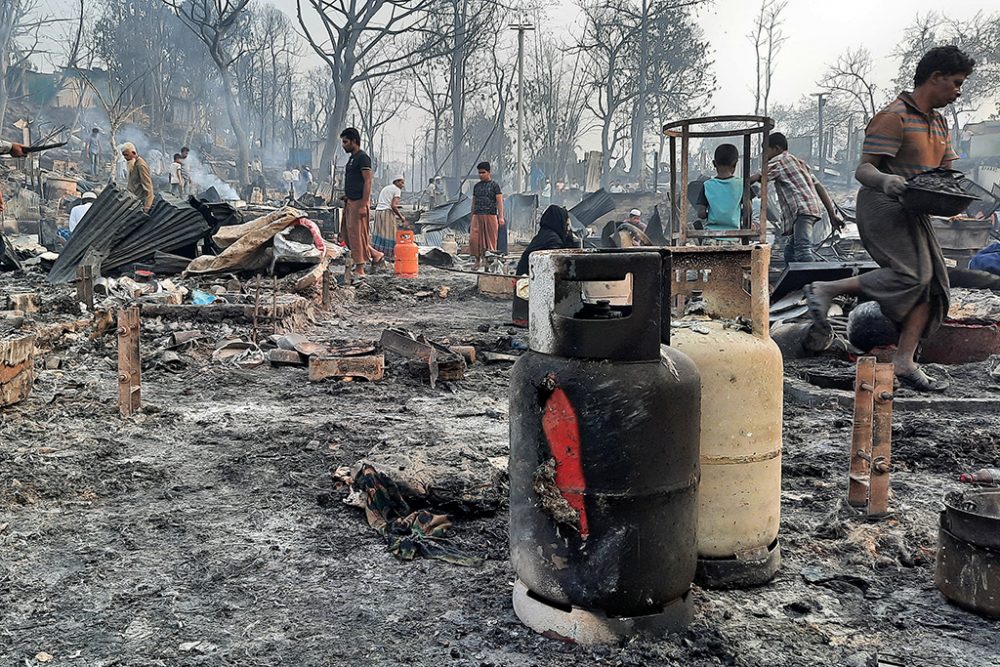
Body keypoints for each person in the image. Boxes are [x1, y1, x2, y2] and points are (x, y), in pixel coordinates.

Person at [805, 46, 976, 392]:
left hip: (915, 209)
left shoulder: (940, 123)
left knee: (932, 287)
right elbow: (864, 169)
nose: (959, 91)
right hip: (883, 204)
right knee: (913, 274)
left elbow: (944, 174)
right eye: (956, 83)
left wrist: (954, 196)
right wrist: (887, 180)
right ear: (936, 77)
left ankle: (904, 361)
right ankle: (827, 288)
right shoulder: (893, 116)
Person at [751, 132, 842, 264]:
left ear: (776, 149)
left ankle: (815, 280)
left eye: (765, 150)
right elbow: (820, 187)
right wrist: (832, 214)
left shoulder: (779, 161)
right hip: (810, 209)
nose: (763, 155)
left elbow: (757, 177)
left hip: (801, 211)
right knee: (790, 251)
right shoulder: (800, 163)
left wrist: (738, 183)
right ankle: (794, 281)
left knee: (803, 250)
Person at [340, 127, 383, 279]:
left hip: (359, 202)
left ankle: (360, 268)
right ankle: (375, 254)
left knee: (357, 235)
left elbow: (368, 181)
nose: (343, 145)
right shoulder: (352, 158)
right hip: (350, 201)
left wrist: (364, 204)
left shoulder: (363, 158)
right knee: (346, 234)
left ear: (353, 141)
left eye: (345, 142)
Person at [696, 143, 743, 233]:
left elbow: (700, 214)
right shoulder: (741, 184)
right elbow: (749, 210)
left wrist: (713, 214)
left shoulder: (707, 185)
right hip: (733, 237)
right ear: (735, 163)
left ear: (714, 163)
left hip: (711, 236)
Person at [515, 205, 576, 275]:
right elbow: (560, 266)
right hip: (532, 279)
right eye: (566, 223)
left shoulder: (544, 235)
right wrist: (569, 232)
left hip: (525, 276)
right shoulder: (553, 240)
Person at [470, 161, 504, 271]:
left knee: (490, 241)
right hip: (477, 215)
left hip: (490, 215)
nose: (481, 175)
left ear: (489, 172)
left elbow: (499, 202)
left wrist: (501, 217)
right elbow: (473, 202)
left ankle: (489, 263)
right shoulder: (476, 187)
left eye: (483, 172)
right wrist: (472, 217)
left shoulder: (495, 186)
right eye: (479, 173)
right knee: (474, 240)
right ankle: (477, 260)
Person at [373, 176, 408, 262]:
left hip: (378, 212)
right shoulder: (397, 190)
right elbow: (393, 206)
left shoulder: (387, 188)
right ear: (396, 182)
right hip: (386, 213)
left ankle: (376, 253)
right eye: (401, 182)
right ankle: (388, 255)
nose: (403, 185)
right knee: (390, 234)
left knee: (380, 233)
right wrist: (401, 217)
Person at [120, 142, 154, 212]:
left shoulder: (140, 165)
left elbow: (148, 187)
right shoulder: (133, 164)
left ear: (133, 153)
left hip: (139, 203)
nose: (125, 158)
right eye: (124, 155)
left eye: (126, 155)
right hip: (132, 200)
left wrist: (147, 206)